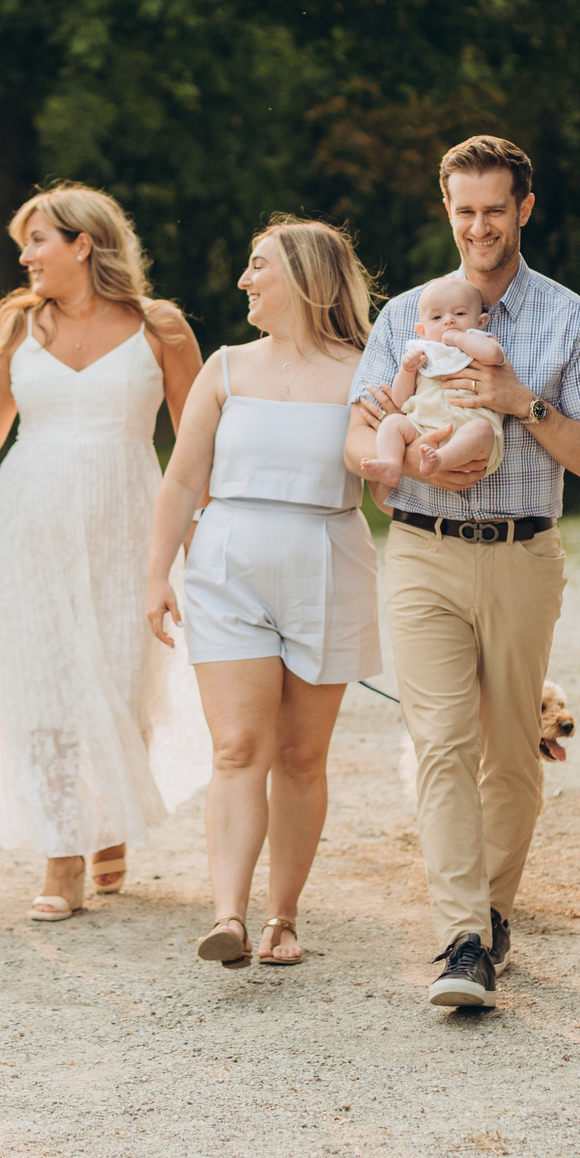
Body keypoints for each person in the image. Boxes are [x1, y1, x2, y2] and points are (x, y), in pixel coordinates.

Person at [344, 136, 580, 1011]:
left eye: (494, 211)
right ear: (448, 209)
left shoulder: (571, 320)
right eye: (463, 211)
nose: (478, 227)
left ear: (524, 210)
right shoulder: (407, 317)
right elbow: (359, 436)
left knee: (511, 754)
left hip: (522, 551)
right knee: (441, 744)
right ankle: (462, 936)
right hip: (422, 548)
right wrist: (411, 466)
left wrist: (519, 404)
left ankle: (494, 910)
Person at [0, 186, 206, 921]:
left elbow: (195, 439)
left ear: (84, 244)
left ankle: (111, 822)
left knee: (122, 678)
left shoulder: (161, 328)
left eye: (37, 241)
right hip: (32, 519)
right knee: (43, 686)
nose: (24, 257)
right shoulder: (18, 327)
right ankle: (61, 853)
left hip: (128, 516)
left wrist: (203, 531)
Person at [145, 218, 385, 968]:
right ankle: (228, 914)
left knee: (302, 754)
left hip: (328, 562)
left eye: (259, 267)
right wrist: (157, 573)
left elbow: (384, 475)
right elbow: (183, 477)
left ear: (308, 278)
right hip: (228, 568)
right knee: (238, 745)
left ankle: (283, 916)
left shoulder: (365, 372)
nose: (245, 280)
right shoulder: (225, 368)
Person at [361, 274, 508, 491]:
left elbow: (495, 356)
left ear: (480, 321)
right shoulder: (423, 353)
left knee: (482, 429)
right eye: (437, 318)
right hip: (421, 428)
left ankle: (440, 460)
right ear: (422, 331)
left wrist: (458, 339)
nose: (449, 321)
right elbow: (401, 400)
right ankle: (391, 464)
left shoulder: (480, 343)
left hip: (469, 432)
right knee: (392, 423)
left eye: (459, 313)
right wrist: (407, 370)